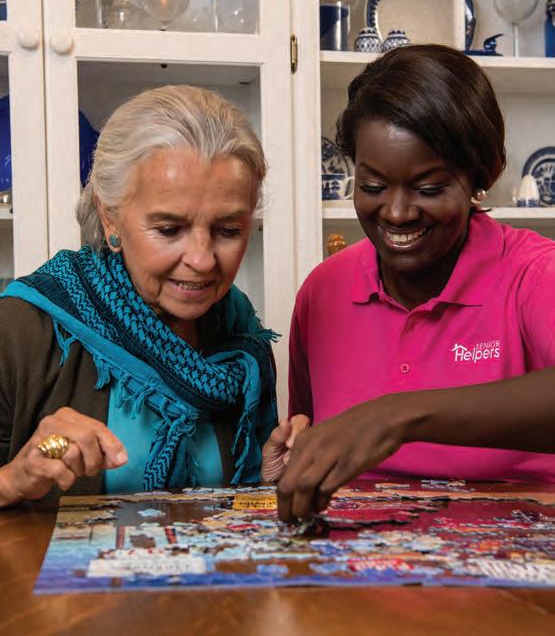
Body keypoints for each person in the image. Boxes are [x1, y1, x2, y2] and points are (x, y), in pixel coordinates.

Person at [274, 44, 555, 521]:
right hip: (360, 556)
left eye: (429, 189)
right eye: (373, 186)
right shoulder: (324, 290)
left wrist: (399, 416)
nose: (398, 213)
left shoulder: (534, 272)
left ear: (480, 177)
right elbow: (311, 443)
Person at [0, 84, 279, 507]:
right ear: (110, 217)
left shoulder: (243, 339)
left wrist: (274, 479)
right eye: (169, 229)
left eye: (228, 230)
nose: (202, 259)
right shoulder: (21, 331)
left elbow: (236, 507)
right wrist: (13, 480)